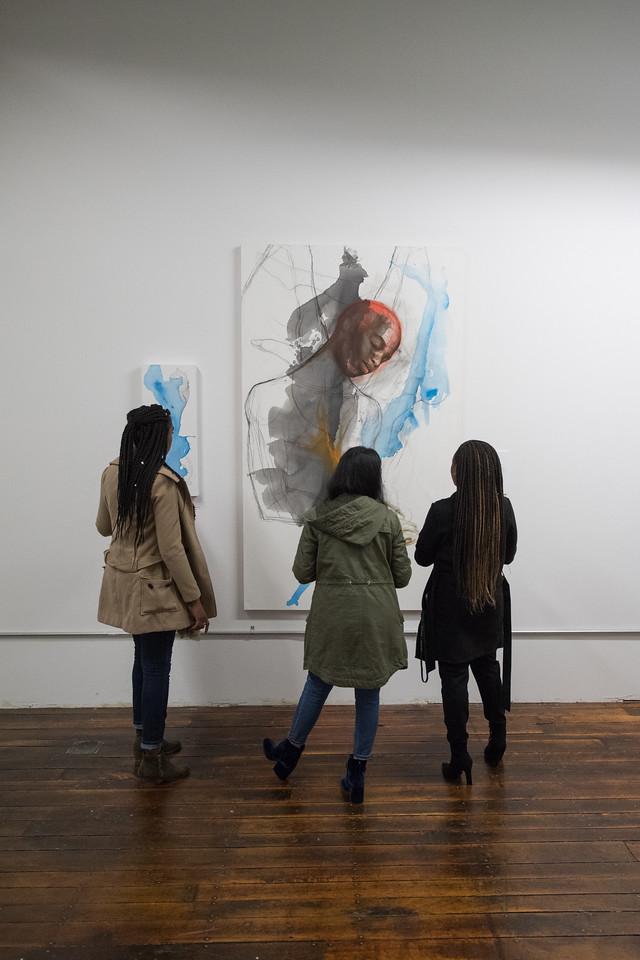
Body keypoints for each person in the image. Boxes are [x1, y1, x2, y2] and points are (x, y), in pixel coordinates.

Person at [262, 446, 412, 804]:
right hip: (375, 614)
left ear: (340, 475)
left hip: (333, 611)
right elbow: (403, 576)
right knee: (369, 690)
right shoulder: (388, 520)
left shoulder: (318, 517)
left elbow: (302, 571)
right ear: (373, 478)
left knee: (318, 681)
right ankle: (357, 771)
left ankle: (291, 751)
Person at [96, 404, 216, 784]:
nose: (170, 436)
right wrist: (195, 600)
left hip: (124, 583)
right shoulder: (161, 482)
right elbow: (172, 550)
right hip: (156, 588)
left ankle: (145, 738)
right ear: (159, 435)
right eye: (168, 430)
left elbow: (103, 526)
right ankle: (152, 756)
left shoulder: (112, 472)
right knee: (155, 667)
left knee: (142, 660)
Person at [415, 440, 517, 785]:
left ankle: (459, 755)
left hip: (449, 606)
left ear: (461, 472)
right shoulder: (503, 508)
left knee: (454, 677)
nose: (451, 469)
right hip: (488, 599)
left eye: (454, 464)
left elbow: (422, 557)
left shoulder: (442, 511)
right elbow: (509, 555)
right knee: (488, 666)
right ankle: (498, 736)